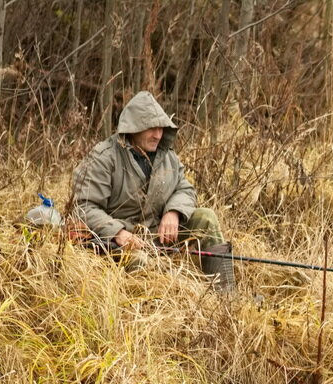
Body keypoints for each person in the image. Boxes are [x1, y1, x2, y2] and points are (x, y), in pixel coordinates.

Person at [71, 91, 235, 290]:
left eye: (161, 128)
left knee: (206, 218)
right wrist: (117, 233)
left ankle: (225, 297)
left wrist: (173, 212)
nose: (158, 135)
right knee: (140, 262)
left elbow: (185, 188)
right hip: (116, 243)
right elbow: (84, 207)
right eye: (151, 129)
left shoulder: (167, 157)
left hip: (156, 235)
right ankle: (150, 311)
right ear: (133, 128)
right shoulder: (104, 158)